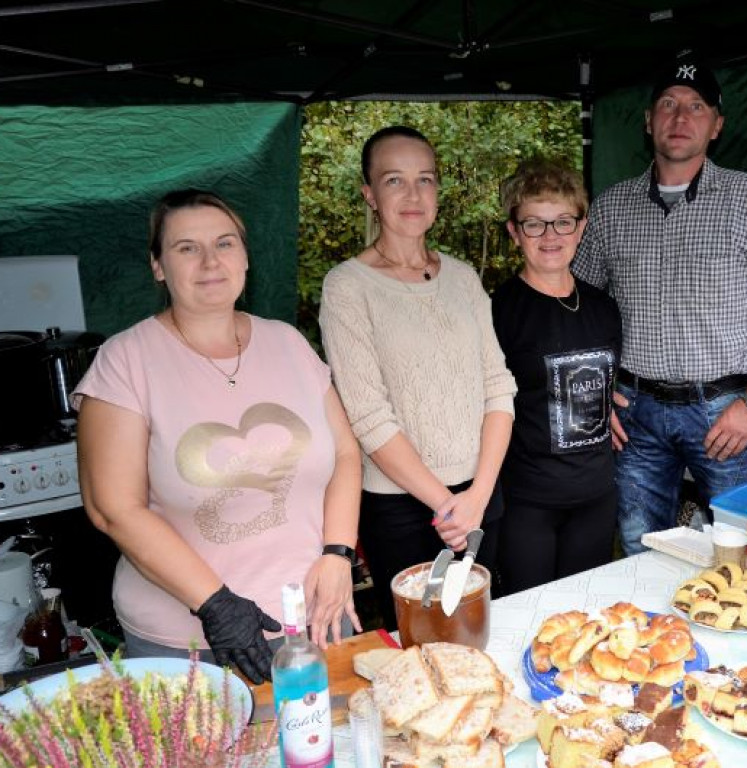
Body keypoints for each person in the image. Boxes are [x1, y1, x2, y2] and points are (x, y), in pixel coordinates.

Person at [75, 189, 363, 684]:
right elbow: (113, 508)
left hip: (313, 615)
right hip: (186, 639)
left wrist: (338, 554)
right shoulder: (126, 361)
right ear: (158, 267)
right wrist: (215, 603)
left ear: (246, 257)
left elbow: (344, 452)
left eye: (224, 243)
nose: (210, 261)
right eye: (187, 248)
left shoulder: (287, 341)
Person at [572, 55, 747, 555]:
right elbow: (577, 306)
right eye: (667, 104)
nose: (680, 117)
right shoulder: (611, 207)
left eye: (696, 107)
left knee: (745, 549)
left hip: (725, 411)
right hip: (635, 412)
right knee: (639, 547)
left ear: (716, 126)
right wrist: (595, 396)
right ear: (648, 121)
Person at [319, 126, 516, 630]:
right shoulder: (347, 288)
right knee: (424, 642)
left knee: (484, 633)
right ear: (369, 194)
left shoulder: (464, 278)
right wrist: (448, 507)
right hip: (402, 510)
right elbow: (367, 415)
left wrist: (478, 497)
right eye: (394, 180)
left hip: (480, 497)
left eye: (424, 179)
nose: (412, 195)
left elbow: (499, 387)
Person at [491, 158, 621, 593]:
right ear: (514, 231)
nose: (551, 236)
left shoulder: (604, 307)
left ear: (581, 228)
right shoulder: (498, 311)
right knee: (528, 620)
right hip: (528, 503)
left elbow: (605, 383)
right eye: (535, 224)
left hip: (596, 496)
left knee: (584, 621)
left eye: (563, 222)